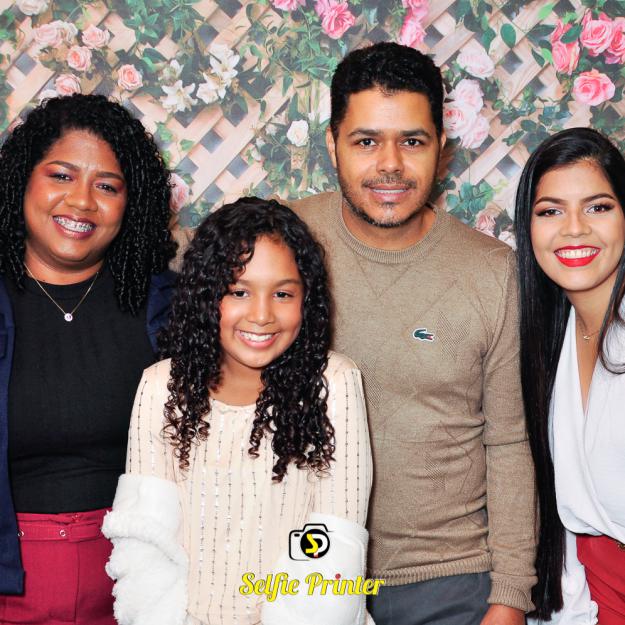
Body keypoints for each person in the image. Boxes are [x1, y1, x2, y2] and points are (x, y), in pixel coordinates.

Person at [283, 42, 536, 625]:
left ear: (441, 149)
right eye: (367, 141)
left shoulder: (493, 273)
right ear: (333, 145)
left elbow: (509, 443)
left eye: (413, 142)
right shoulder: (283, 238)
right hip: (304, 568)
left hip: (449, 580)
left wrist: (509, 597)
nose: (391, 164)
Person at [103, 197, 373, 625]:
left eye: (282, 294)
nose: (262, 315)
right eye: (239, 292)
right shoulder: (161, 387)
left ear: (307, 300)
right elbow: (145, 543)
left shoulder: (332, 384)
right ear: (206, 295)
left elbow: (333, 548)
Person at [0, 94, 176, 624]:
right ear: (22, 181)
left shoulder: (167, 308)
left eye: (106, 186)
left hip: (141, 587)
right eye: (61, 175)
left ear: (130, 203)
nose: (81, 201)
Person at [515, 127, 625, 625]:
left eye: (598, 207)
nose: (575, 229)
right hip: (593, 600)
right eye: (550, 211)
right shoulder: (549, 338)